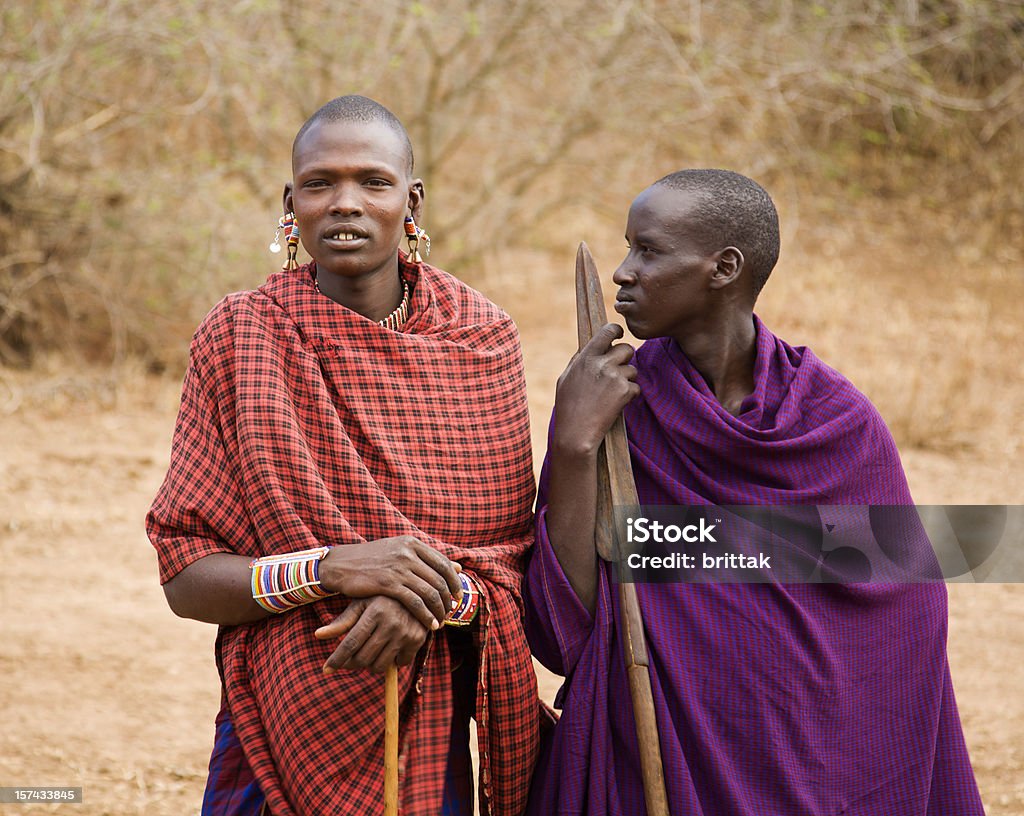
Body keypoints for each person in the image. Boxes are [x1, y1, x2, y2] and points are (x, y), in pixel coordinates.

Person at [523, 169, 985, 815]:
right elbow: (556, 622)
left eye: (649, 251)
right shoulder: (609, 403)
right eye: (627, 248)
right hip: (654, 743)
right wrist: (572, 444)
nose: (624, 271)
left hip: (809, 749)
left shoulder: (833, 422)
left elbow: (905, 601)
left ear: (724, 268)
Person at [147, 95, 542, 816]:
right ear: (289, 203)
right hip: (283, 719)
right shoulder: (241, 337)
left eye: (374, 182)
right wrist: (332, 568)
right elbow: (186, 577)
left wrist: (426, 600)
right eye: (320, 183)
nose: (345, 204)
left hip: (434, 720)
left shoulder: (480, 342)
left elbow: (510, 565)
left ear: (411, 200)